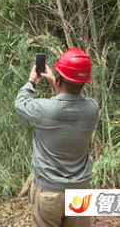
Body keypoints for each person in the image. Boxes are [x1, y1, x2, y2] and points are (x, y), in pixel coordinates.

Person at [15, 48, 99, 227]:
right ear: (84, 82)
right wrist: (55, 80)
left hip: (48, 192)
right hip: (80, 192)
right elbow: (69, 97)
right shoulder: (92, 108)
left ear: (60, 79)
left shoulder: (44, 109)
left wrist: (32, 80)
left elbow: (20, 102)